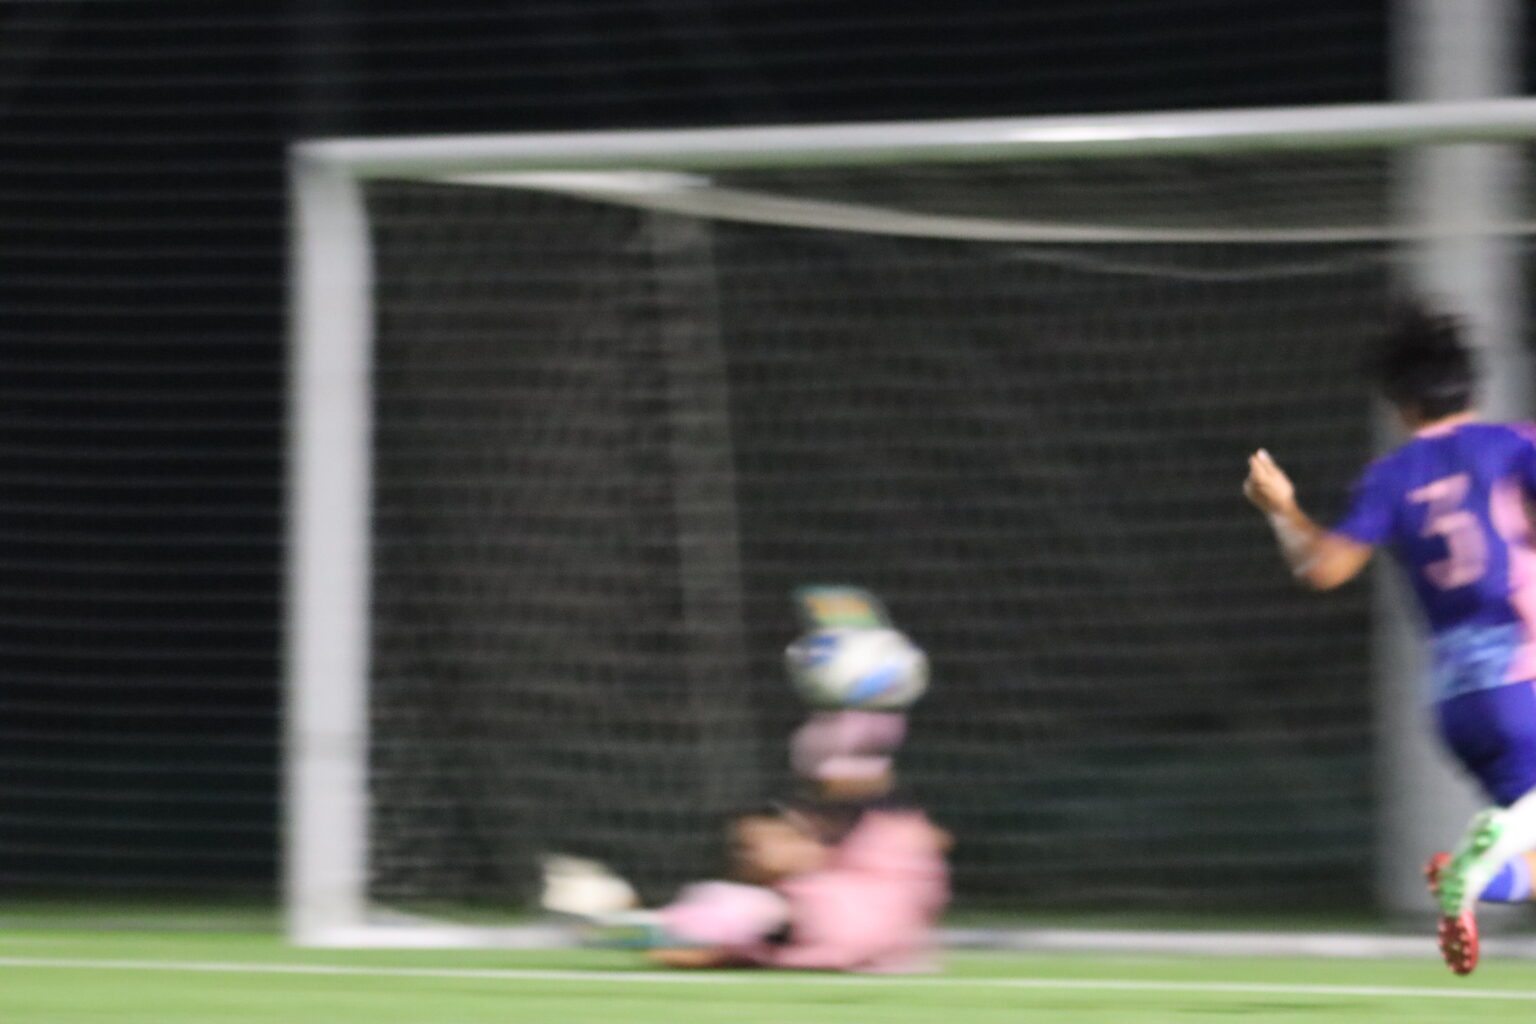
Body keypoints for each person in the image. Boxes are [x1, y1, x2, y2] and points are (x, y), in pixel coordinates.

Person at [1242, 302, 1536, 975]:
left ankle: (1476, 875)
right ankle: (1483, 858)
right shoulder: (1513, 446)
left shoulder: (1391, 478)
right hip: (1526, 676)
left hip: (1459, 703)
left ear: (1402, 406)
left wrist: (1282, 507)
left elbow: (1323, 568)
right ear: (1474, 386)